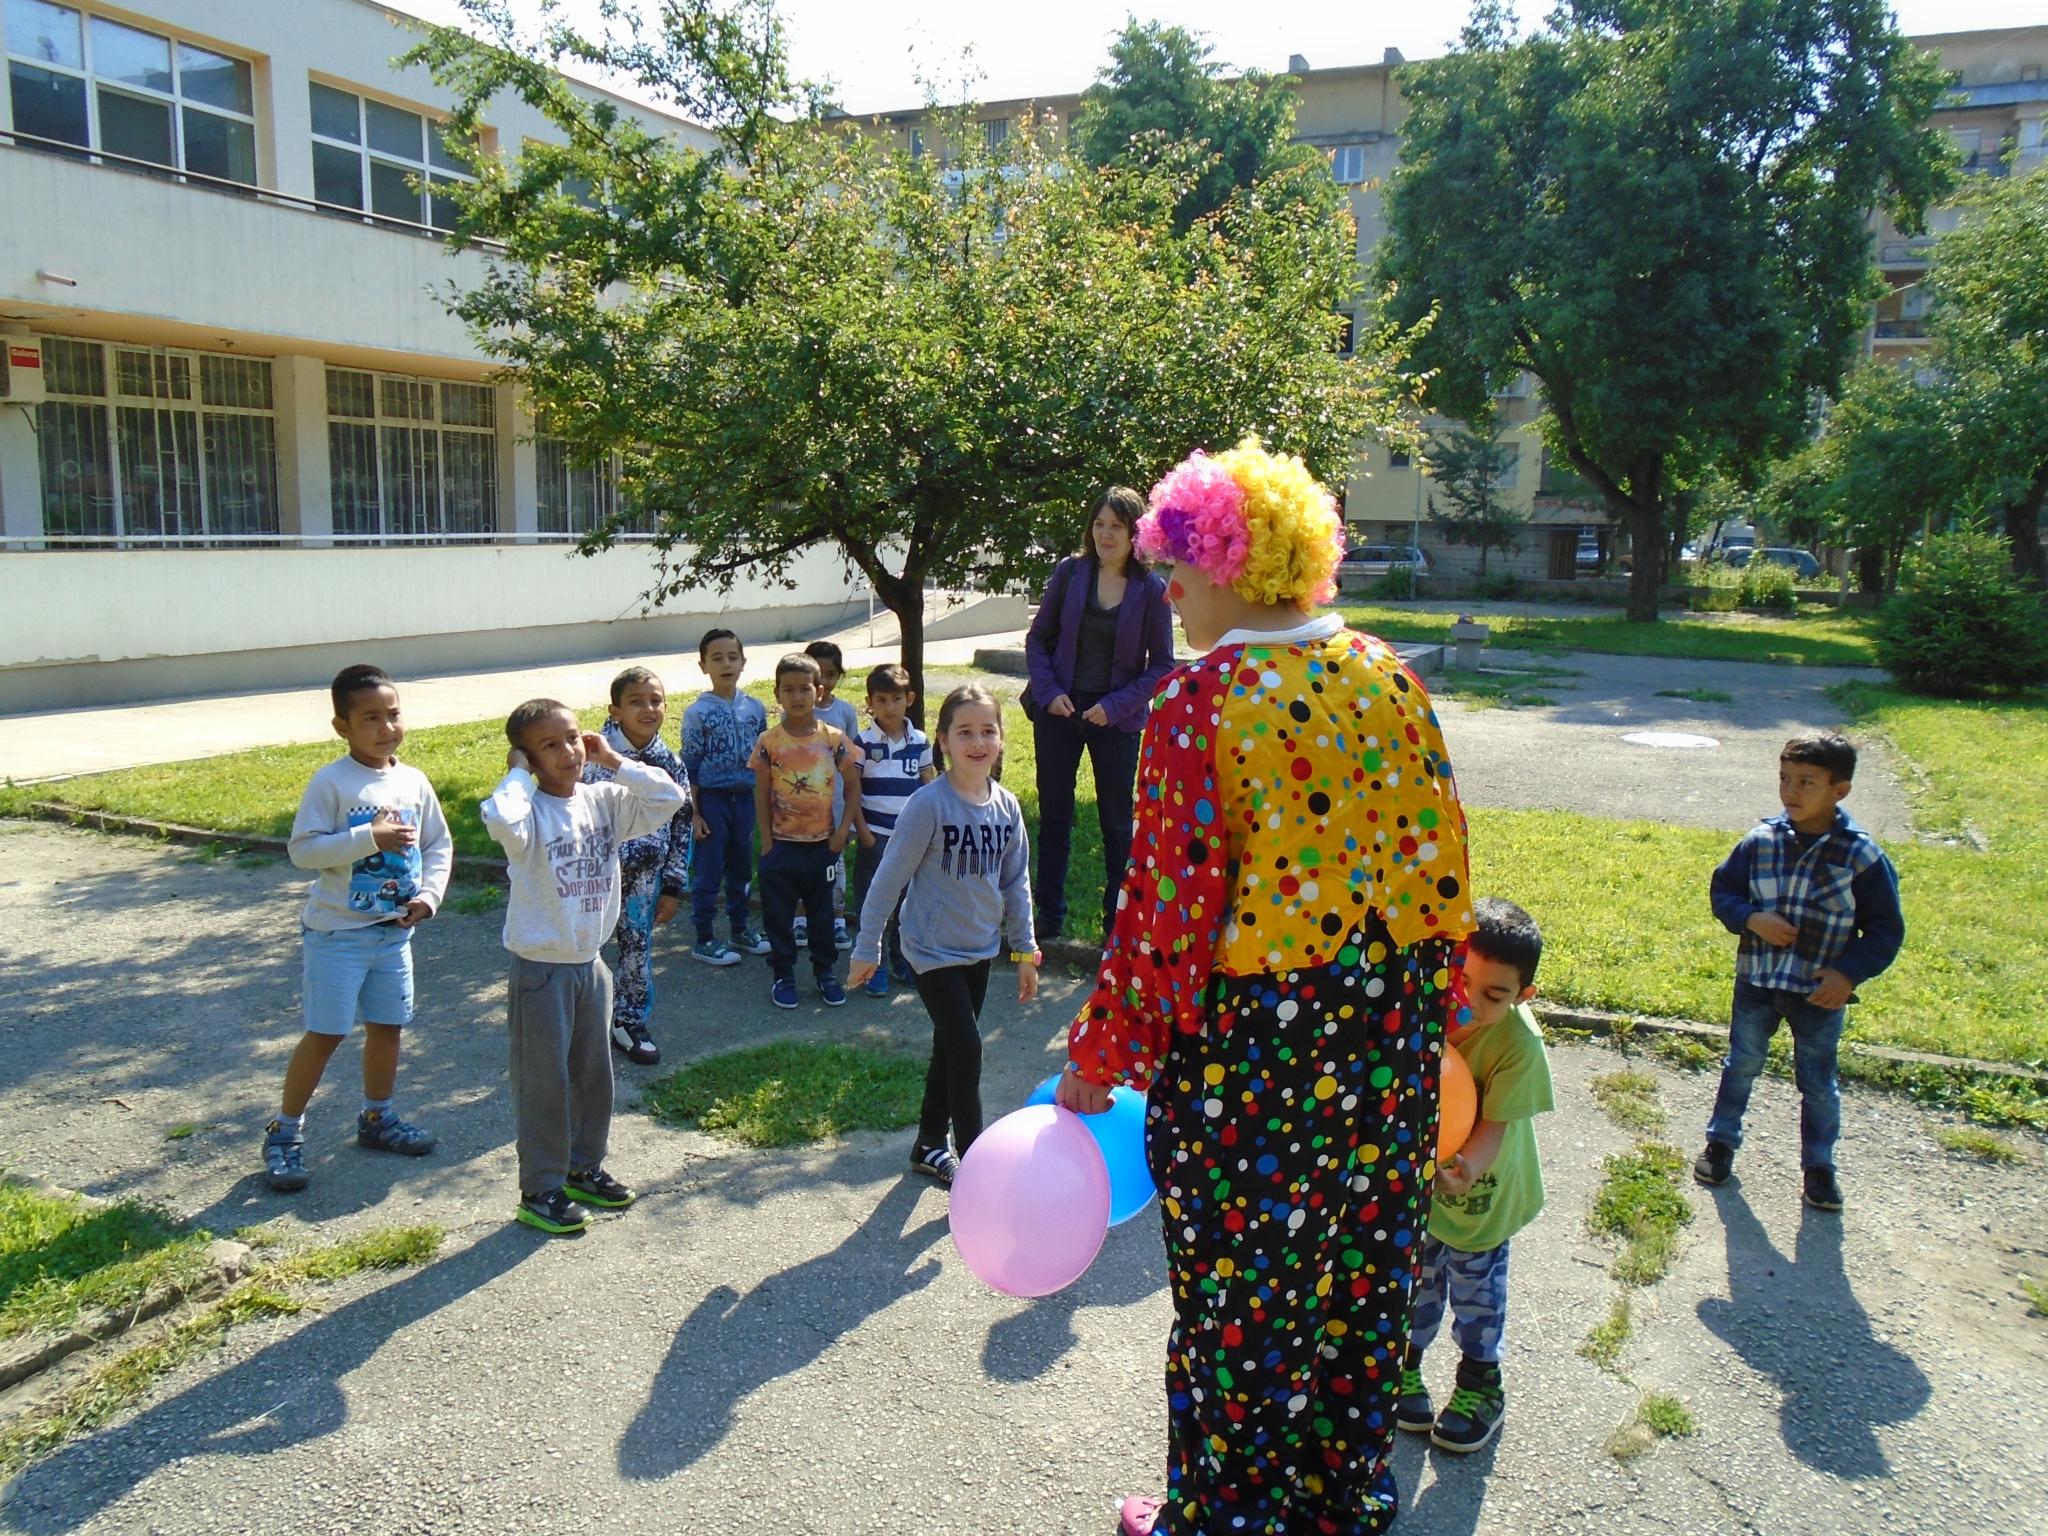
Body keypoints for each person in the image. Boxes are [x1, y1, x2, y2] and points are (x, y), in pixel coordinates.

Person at [1057, 440, 1473, 1536]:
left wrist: (1096, 1056)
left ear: (1235, 562)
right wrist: (1435, 1025)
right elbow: (1441, 872)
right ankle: (1340, 1500)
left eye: (1178, 561)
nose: (1165, 583)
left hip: (1260, 1049)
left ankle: (1224, 1520)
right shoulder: (1387, 672)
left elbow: (1161, 916)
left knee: (1242, 1305)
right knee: (1353, 1279)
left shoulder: (1201, 701)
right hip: (1384, 1041)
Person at [482, 698, 686, 1235]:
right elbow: (499, 815)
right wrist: (519, 776)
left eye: (573, 737)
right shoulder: (526, 814)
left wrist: (614, 760)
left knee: (593, 1077)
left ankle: (583, 1166)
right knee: (544, 1083)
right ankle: (541, 1187)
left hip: (591, 964)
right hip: (541, 968)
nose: (569, 751)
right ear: (526, 759)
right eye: (549, 746)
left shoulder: (603, 799)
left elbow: (671, 796)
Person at [1695, 731, 1904, 1210]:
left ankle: (1819, 1167)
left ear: (1840, 790)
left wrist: (1847, 975)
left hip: (1818, 993)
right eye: (1785, 779)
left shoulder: (1861, 856)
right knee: (1741, 1064)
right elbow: (1723, 891)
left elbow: (1886, 929)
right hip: (1758, 980)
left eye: (1807, 782)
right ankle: (1720, 1143)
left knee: (1817, 1079)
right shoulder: (1759, 842)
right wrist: (1751, 918)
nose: (1791, 791)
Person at [265, 663, 452, 1192]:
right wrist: (368, 838)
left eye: (393, 715)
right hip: (337, 937)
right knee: (325, 1033)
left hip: (394, 934)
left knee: (389, 1028)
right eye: (370, 717)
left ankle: (377, 1118)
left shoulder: (412, 780)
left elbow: (438, 845)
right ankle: (285, 1131)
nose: (386, 727)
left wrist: (429, 897)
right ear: (341, 726)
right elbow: (303, 850)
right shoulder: (333, 782)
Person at [848, 684, 1038, 1183]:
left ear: (1001, 739)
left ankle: (929, 1142)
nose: (978, 741)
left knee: (950, 1046)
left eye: (987, 730)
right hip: (929, 949)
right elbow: (889, 876)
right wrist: (867, 946)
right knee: (968, 1047)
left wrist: (1024, 951)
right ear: (943, 741)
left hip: (979, 947)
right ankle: (977, 1163)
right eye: (965, 731)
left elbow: (1015, 882)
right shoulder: (927, 805)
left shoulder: (1007, 807)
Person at [1396, 897, 1555, 1456]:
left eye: (1495, 994)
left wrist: (1467, 1169)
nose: (1470, 1000)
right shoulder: (1427, 1008)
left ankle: (1480, 1385)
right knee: (1417, 1285)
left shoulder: (1518, 1044)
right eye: (1463, 980)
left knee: (1478, 1295)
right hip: (1424, 1192)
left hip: (1482, 1198)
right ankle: (1406, 1369)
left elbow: (1492, 1125)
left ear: (1523, 996)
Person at [1024, 485, 1176, 940]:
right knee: (1054, 814)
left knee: (1115, 819)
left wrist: (1114, 706)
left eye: (1117, 526)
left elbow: (1162, 665)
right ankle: (1048, 914)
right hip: (1059, 712)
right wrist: (1050, 692)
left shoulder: (1151, 589)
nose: (1105, 534)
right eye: (1099, 524)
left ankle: (1118, 920)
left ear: (1135, 534)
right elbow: (1037, 639)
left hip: (1116, 720)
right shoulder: (1070, 573)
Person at [581, 665, 692, 1066]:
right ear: (615, 711)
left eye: (656, 700)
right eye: (636, 702)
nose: (648, 709)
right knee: (586, 947)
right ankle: (584, 1022)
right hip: (594, 875)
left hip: (647, 875)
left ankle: (629, 1021)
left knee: (636, 945)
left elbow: (683, 820)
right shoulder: (591, 755)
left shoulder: (669, 761)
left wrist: (673, 883)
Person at [751, 653, 861, 1010]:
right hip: (781, 848)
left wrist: (843, 831)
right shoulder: (769, 742)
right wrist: (766, 842)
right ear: (777, 694)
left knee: (822, 914)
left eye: (805, 689)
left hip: (822, 847)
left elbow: (853, 785)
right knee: (779, 916)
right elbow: (761, 791)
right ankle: (782, 974)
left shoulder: (834, 739)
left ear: (820, 690)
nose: (797, 697)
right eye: (789, 690)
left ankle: (825, 972)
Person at [682, 629, 771, 966]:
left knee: (741, 867)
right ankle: (704, 937)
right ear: (703, 665)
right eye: (716, 658)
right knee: (708, 870)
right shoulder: (697, 712)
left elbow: (763, 759)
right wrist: (694, 813)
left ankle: (739, 928)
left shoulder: (754, 707)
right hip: (712, 801)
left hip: (745, 799)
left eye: (732, 657)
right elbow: (689, 764)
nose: (726, 664)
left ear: (743, 662)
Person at [850, 663, 936, 997]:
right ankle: (874, 965)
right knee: (875, 900)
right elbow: (853, 787)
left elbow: (928, 781)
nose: (889, 706)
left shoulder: (919, 740)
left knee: (907, 902)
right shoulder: (864, 741)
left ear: (909, 699)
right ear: (870, 702)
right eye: (881, 699)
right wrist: (862, 831)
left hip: (912, 837)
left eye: (896, 698)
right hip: (876, 834)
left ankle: (903, 960)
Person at [804, 639, 863, 950]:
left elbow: (852, 759)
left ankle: (837, 920)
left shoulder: (844, 711)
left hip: (837, 803)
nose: (824, 682)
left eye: (831, 674)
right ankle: (801, 920)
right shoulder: (799, 706)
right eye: (818, 674)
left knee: (834, 862)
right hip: (801, 806)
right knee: (803, 863)